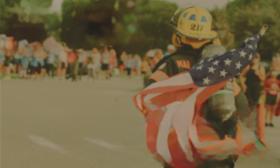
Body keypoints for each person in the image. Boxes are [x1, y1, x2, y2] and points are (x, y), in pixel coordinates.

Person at [134, 6, 268, 168]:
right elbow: (243, 108)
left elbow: (150, 99)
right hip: (218, 153)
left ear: (180, 35)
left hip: (183, 153)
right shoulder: (224, 66)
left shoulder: (171, 63)